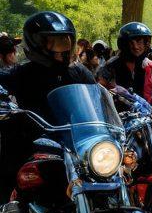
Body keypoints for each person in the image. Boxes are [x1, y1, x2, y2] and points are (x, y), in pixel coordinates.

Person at [0, 12, 97, 199]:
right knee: (10, 169)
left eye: (65, 40)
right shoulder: (22, 73)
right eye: (54, 41)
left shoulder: (79, 72)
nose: (62, 47)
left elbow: (99, 99)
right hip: (33, 141)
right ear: (37, 43)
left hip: (76, 144)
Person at [96, 21, 152, 103]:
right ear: (124, 44)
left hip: (145, 115)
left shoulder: (149, 65)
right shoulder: (111, 65)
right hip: (116, 114)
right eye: (131, 43)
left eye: (139, 42)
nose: (136, 47)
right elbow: (99, 88)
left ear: (145, 44)